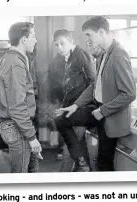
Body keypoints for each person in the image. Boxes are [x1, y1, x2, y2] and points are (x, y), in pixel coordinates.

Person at [56, 16, 136, 172]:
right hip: (97, 110)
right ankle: (81, 161)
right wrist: (75, 105)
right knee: (61, 120)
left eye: (89, 35)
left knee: (103, 163)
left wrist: (102, 111)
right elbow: (95, 85)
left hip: (109, 115)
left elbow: (129, 94)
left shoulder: (118, 54)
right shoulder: (103, 54)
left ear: (101, 32)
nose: (87, 40)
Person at [0, 22, 42, 173]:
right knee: (20, 176)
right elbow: (17, 106)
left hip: (17, 125)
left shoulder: (10, 58)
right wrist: (31, 137)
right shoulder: (15, 64)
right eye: (33, 36)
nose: (36, 40)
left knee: (30, 170)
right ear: (24, 39)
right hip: (17, 126)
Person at [52, 29, 97, 170]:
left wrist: (79, 104)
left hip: (82, 109)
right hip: (71, 109)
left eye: (62, 43)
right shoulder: (67, 58)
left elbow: (94, 83)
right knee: (79, 147)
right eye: (56, 45)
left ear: (71, 41)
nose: (59, 48)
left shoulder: (82, 55)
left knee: (69, 150)